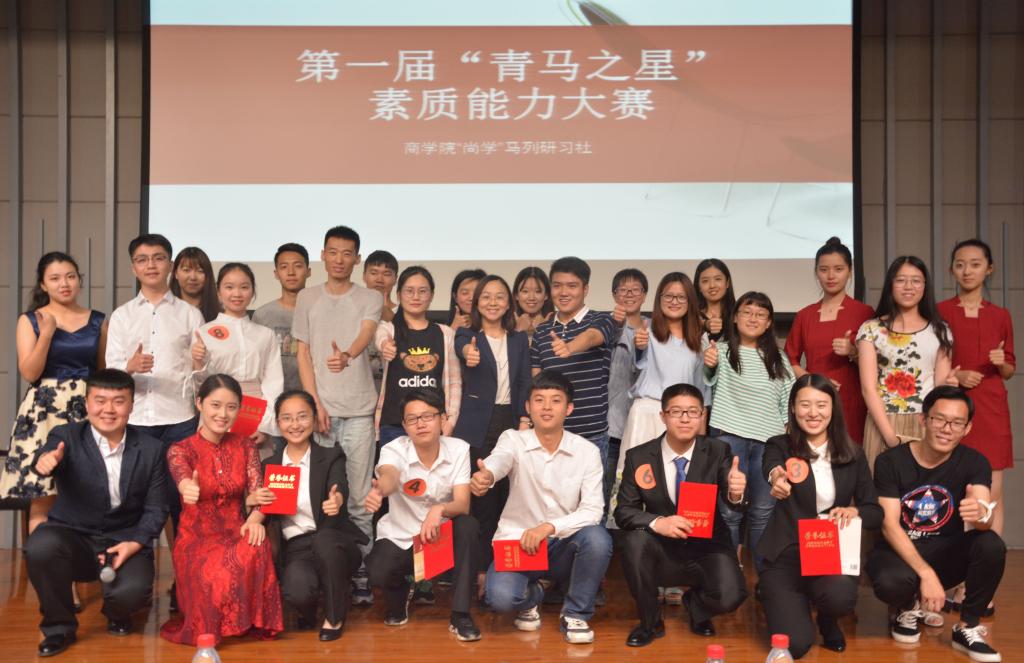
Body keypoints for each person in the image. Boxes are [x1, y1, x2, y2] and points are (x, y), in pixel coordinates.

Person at [25, 369, 168, 657]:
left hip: (124, 539)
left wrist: (135, 543)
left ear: (131, 405)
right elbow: (48, 454)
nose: (108, 409)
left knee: (132, 594)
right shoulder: (66, 436)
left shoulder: (152, 448)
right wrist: (45, 462)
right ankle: (59, 628)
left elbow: (157, 507)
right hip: (74, 537)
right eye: (100, 400)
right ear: (87, 402)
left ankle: (117, 612)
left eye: (119, 401)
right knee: (40, 545)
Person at [472, 370, 613, 645]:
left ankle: (575, 614)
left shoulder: (587, 452)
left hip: (562, 546)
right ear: (528, 407)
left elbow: (593, 510)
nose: (546, 407)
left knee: (597, 538)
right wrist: (486, 476)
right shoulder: (513, 439)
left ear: (569, 409)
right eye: (539, 400)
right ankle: (532, 595)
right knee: (500, 598)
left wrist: (549, 527)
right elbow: (499, 460)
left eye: (555, 400)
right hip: (519, 542)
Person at [867, 386, 1005, 662]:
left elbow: (984, 517)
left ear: (967, 428)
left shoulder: (975, 462)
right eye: (939, 419)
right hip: (898, 554)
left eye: (956, 423)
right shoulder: (890, 461)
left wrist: (981, 514)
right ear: (923, 419)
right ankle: (908, 606)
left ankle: (967, 626)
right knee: (890, 581)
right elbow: (889, 525)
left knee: (991, 544)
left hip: (945, 553)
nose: (947, 429)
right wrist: (926, 574)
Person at [759, 374, 882, 659]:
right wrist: (777, 478)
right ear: (793, 408)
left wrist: (854, 511)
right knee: (795, 645)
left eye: (821, 405)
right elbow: (773, 467)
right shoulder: (779, 445)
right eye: (805, 404)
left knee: (840, 597)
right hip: (785, 552)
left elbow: (875, 512)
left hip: (828, 552)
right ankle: (788, 602)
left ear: (833, 408)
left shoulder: (853, 453)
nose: (813, 413)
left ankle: (827, 618)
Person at [614, 382, 747, 646]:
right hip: (661, 548)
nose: (685, 419)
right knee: (633, 541)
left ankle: (696, 606)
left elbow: (733, 504)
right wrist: (658, 522)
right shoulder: (639, 457)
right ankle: (650, 622)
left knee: (731, 596)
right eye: (676, 411)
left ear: (702, 416)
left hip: (707, 547)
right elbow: (624, 511)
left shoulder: (718, 451)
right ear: (663, 416)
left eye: (693, 412)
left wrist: (735, 493)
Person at [291, 225, 382, 604]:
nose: (340, 259)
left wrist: (347, 354)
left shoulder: (370, 296)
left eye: (347, 253)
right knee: (321, 497)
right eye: (333, 252)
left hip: (359, 412)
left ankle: (359, 572)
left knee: (358, 499)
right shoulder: (307, 297)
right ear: (323, 255)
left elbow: (366, 333)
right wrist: (314, 405)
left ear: (357, 259)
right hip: (320, 413)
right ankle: (324, 572)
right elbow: (303, 353)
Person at [161, 374, 283, 645]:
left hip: (235, 531)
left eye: (231, 407)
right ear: (199, 403)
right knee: (211, 570)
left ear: (239, 409)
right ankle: (213, 621)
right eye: (215, 405)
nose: (223, 414)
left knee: (258, 543)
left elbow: (259, 494)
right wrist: (187, 488)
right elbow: (182, 478)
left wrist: (255, 519)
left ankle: (248, 620)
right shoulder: (180, 450)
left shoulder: (245, 445)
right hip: (196, 538)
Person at [1, 252, 107, 536]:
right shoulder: (30, 320)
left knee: (87, 494)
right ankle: (42, 562)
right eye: (55, 278)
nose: (64, 284)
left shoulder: (98, 320)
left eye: (71, 277)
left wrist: (128, 369)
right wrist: (47, 333)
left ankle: (85, 562)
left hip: (87, 409)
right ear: (43, 284)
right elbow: (30, 373)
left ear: (79, 280)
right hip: (43, 411)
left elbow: (102, 373)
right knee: (43, 497)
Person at [363, 389, 481, 641]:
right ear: (404, 425)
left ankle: (460, 614)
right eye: (412, 419)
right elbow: (389, 475)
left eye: (428, 416)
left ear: (443, 419)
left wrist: (439, 510)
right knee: (378, 572)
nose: (421, 424)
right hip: (403, 538)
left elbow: (462, 503)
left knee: (468, 526)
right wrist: (380, 489)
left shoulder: (459, 449)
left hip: (439, 540)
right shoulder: (394, 449)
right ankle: (402, 594)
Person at [263, 390, 367, 641]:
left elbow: (339, 486)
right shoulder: (270, 466)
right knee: (298, 591)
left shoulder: (330, 456)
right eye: (287, 418)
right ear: (278, 423)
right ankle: (309, 611)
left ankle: (334, 617)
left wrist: (336, 499)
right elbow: (264, 515)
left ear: (314, 418)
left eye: (302, 416)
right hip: (296, 548)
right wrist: (254, 501)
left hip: (334, 541)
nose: (295, 424)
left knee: (325, 540)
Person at [703, 291, 795, 570]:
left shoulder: (779, 358)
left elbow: (787, 402)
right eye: (747, 312)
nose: (753, 318)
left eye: (760, 314)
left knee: (763, 512)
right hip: (729, 438)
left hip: (769, 444)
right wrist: (709, 364)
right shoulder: (720, 350)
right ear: (734, 317)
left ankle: (765, 577)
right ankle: (729, 574)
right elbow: (708, 379)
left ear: (769, 323)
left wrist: (786, 440)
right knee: (730, 512)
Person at [452, 275, 532, 593]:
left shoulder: (518, 339)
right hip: (477, 426)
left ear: (509, 303)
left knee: (508, 500)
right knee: (482, 502)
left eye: (500, 296)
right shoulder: (467, 335)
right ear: (476, 303)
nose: (493, 302)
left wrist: (525, 418)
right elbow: (462, 348)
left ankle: (507, 570)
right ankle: (482, 571)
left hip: (511, 422)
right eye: (486, 296)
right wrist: (468, 353)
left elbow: (524, 381)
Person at [609, 272, 707, 530]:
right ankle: (630, 539)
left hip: (684, 419)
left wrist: (701, 432)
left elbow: (702, 390)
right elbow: (633, 368)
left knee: (680, 485)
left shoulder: (700, 339)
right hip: (646, 414)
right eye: (668, 296)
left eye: (681, 297)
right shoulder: (645, 331)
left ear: (690, 301)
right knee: (638, 484)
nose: (674, 301)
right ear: (658, 299)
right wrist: (640, 346)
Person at [938, 239, 1014, 543]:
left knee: (992, 492)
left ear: (989, 269)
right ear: (951, 270)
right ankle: (955, 566)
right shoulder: (940, 311)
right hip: (952, 407)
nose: (967, 271)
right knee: (952, 488)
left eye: (975, 264)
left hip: (992, 409)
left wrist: (1001, 362)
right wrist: (956, 375)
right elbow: (932, 361)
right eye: (960, 265)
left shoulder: (1001, 315)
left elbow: (1009, 369)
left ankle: (989, 563)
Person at [857, 256, 955, 471]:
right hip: (883, 420)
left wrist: (950, 388)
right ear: (891, 284)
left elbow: (941, 387)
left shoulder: (941, 330)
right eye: (901, 280)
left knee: (926, 489)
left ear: (925, 286)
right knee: (881, 487)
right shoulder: (871, 329)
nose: (908, 286)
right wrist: (891, 438)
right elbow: (868, 388)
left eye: (916, 280)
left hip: (927, 421)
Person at [785, 237, 874, 443]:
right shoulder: (805, 315)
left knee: (851, 453)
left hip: (852, 402)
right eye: (824, 270)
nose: (831, 276)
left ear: (850, 271)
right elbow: (789, 360)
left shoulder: (864, 313)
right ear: (816, 272)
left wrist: (853, 352)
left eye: (838, 269)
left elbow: (879, 363)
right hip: (813, 405)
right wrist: (814, 381)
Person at [530, 257, 616, 468]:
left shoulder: (602, 319)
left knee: (594, 491)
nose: (564, 292)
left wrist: (570, 347)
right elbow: (536, 381)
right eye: (557, 286)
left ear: (585, 289)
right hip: (550, 436)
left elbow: (592, 336)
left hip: (592, 435)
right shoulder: (542, 331)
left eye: (572, 286)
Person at [191, 263, 284, 449]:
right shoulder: (204, 332)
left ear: (253, 291)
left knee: (252, 462)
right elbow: (200, 385)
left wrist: (264, 425)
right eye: (229, 287)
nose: (237, 293)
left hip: (255, 412)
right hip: (217, 409)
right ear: (218, 292)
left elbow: (273, 383)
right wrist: (197, 362)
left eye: (244, 287)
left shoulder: (265, 335)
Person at [374, 266, 461, 446]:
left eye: (422, 291)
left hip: (433, 424)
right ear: (398, 295)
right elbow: (380, 337)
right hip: (394, 424)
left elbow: (454, 382)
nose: (416, 297)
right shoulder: (389, 329)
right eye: (409, 291)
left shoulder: (445, 334)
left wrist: (451, 421)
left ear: (431, 295)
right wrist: (385, 346)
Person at [606, 268, 649, 504]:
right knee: (605, 491)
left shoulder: (656, 330)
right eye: (623, 290)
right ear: (614, 295)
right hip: (611, 426)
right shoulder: (605, 326)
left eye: (635, 290)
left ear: (645, 295)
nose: (629, 294)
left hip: (645, 426)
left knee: (638, 496)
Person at [252, 242, 312, 392]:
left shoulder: (319, 312)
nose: (291, 272)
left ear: (308, 271)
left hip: (312, 395)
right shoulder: (262, 315)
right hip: (273, 396)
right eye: (284, 267)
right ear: (276, 273)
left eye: (298, 266)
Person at [362, 250, 399, 392]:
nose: (379, 279)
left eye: (386, 274)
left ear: (395, 278)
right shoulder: (352, 310)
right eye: (374, 273)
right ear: (364, 276)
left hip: (394, 386)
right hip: (359, 388)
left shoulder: (405, 312)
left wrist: (390, 316)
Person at [170, 246, 219, 323]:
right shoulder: (165, 310)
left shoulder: (220, 314)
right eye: (186, 270)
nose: (193, 277)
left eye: (200, 271)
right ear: (176, 273)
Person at [694, 259, 736, 343]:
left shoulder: (738, 314)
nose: (712, 285)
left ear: (727, 283)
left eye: (718, 279)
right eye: (705, 281)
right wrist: (705, 324)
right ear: (699, 287)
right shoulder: (690, 314)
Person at [512, 266, 554, 340]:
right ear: (516, 295)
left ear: (546, 295)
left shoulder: (558, 322)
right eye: (525, 291)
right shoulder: (504, 325)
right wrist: (518, 330)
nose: (531, 298)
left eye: (538, 291)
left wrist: (542, 330)